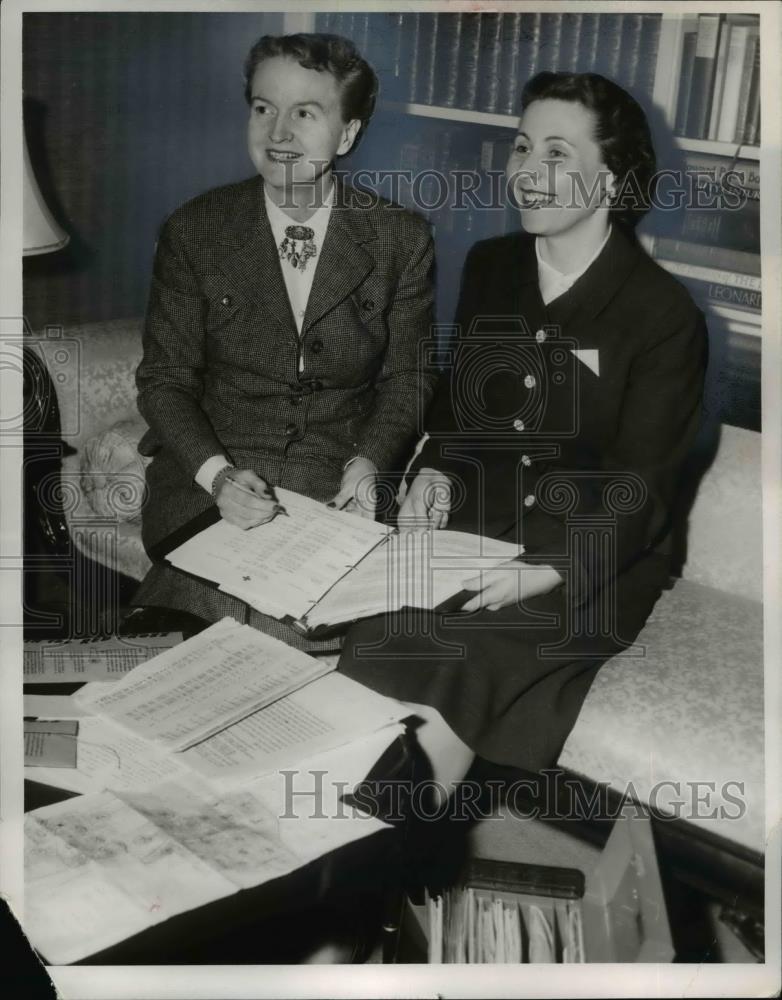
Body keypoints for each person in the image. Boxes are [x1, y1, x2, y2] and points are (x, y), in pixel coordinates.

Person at [339, 71, 708, 799]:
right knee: (379, 628)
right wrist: (436, 469)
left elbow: (642, 485)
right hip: (477, 523)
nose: (529, 175)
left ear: (613, 179)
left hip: (594, 552)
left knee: (464, 656)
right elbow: (461, 405)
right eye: (521, 148)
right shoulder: (493, 265)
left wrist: (546, 570)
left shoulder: (664, 315)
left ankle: (382, 854)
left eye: (558, 155)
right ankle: (349, 843)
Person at [131, 33, 436, 649]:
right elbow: (164, 380)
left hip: (333, 481)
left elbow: (409, 376)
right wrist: (216, 476)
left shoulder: (398, 238)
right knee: (187, 634)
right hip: (207, 481)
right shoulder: (197, 228)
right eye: (263, 107)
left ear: (346, 135)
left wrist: (370, 462)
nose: (278, 132)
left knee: (276, 633)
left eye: (305, 112)